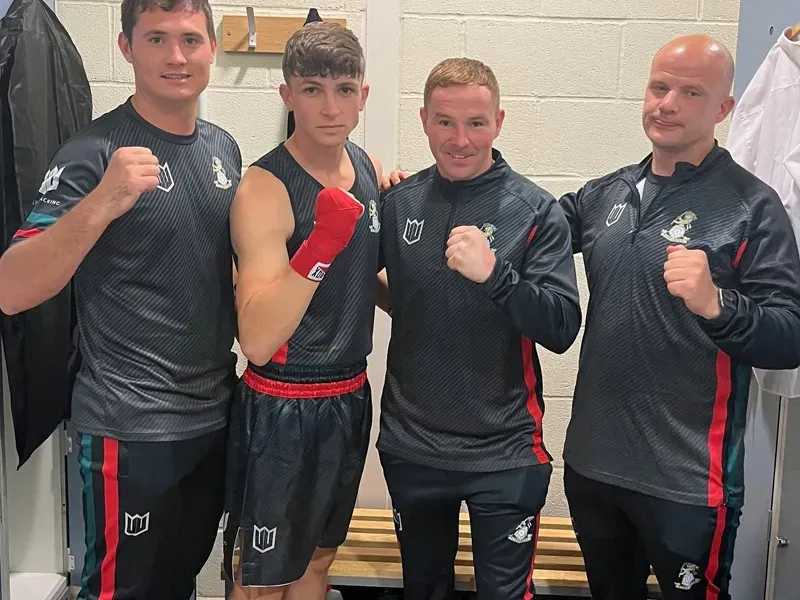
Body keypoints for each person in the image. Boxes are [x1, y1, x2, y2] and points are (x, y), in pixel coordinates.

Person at [0, 0, 240, 598]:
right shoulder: (94, 151)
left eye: (190, 39)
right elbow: (12, 287)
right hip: (127, 428)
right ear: (127, 47)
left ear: (212, 48)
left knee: (177, 584)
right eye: (156, 39)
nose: (176, 56)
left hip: (212, 418)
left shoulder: (224, 150)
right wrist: (103, 201)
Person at [558, 35, 800, 599]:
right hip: (593, 468)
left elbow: (789, 338)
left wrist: (718, 303)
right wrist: (421, 189)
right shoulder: (604, 194)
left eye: (690, 92)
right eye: (659, 86)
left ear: (722, 109)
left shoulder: (752, 206)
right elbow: (525, 225)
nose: (667, 103)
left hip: (689, 483)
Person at [376, 57, 582, 600]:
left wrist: (497, 277)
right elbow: (380, 292)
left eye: (476, 123)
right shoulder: (398, 204)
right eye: (445, 121)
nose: (460, 139)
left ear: (499, 121)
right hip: (412, 443)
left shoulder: (535, 210)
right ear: (423, 119)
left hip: (505, 449)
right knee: (422, 589)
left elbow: (562, 326)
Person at [222, 22, 382, 600]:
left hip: (349, 396)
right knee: (262, 581)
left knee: (318, 564)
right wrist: (319, 245)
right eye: (312, 89)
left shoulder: (365, 168)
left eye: (344, 89)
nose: (330, 106)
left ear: (364, 95)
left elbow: (365, 281)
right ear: (286, 95)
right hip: (282, 404)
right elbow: (258, 338)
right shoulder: (263, 188)